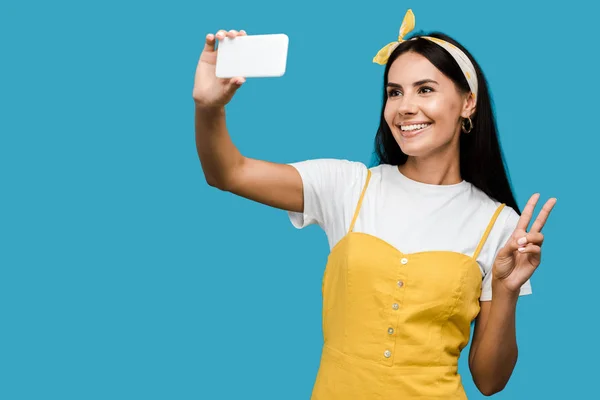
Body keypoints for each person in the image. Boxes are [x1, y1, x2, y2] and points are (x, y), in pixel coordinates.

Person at [192, 9, 557, 399]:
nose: (405, 107)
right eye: (394, 92)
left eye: (425, 89)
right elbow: (228, 172)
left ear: (468, 103)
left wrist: (506, 291)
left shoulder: (500, 224)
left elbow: (489, 381)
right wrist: (209, 107)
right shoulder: (348, 186)